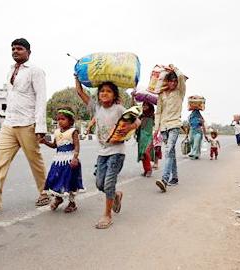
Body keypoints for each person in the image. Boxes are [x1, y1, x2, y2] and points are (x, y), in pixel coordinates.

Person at [0, 38, 50, 215]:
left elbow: (41, 98)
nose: (15, 51)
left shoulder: (35, 71)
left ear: (28, 52)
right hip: (9, 123)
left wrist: (40, 126)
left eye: (19, 48)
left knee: (35, 161)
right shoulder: (10, 71)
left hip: (27, 123)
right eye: (13, 48)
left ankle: (46, 192)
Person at [75, 77, 140, 229]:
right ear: (98, 95)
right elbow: (79, 92)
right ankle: (116, 195)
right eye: (102, 91)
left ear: (114, 95)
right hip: (102, 152)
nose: (104, 93)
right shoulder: (96, 108)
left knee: (109, 183)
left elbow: (137, 122)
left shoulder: (118, 109)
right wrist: (77, 78)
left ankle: (107, 215)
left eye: (108, 91)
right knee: (99, 184)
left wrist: (129, 128)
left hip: (117, 152)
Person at [40, 107, 84, 213]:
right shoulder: (56, 132)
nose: (60, 121)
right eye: (58, 119)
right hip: (58, 161)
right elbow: (55, 145)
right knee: (54, 179)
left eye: (63, 119)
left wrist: (75, 158)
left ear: (70, 121)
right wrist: (45, 142)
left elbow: (77, 146)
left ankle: (72, 203)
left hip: (70, 161)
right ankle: (58, 198)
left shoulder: (73, 131)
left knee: (69, 181)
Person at [154, 65, 187, 192]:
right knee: (171, 152)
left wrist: (175, 68)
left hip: (174, 125)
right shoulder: (162, 95)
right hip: (164, 127)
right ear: (167, 81)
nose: (173, 82)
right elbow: (158, 112)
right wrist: (156, 128)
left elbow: (181, 78)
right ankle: (175, 178)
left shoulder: (180, 92)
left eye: (175, 81)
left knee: (168, 151)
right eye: (170, 80)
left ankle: (164, 179)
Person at [135, 101, 155, 177]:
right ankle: (145, 170)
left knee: (146, 153)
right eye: (143, 105)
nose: (144, 106)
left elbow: (157, 125)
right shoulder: (140, 116)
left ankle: (149, 170)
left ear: (150, 106)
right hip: (141, 137)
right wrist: (133, 97)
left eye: (146, 105)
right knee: (142, 154)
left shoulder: (153, 116)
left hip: (149, 137)